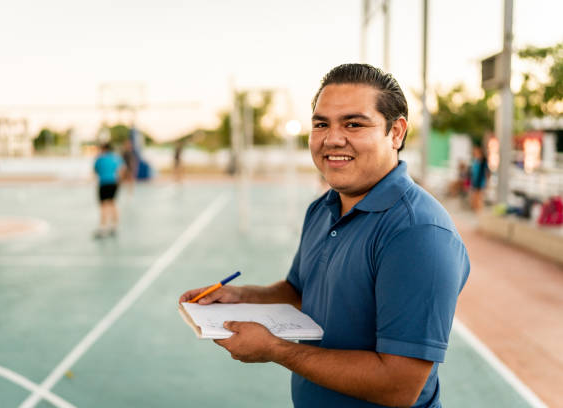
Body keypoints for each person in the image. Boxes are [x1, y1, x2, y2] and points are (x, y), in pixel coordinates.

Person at [180, 64, 470, 408]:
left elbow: (399, 385)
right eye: (321, 124)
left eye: (354, 124)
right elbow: (301, 292)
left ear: (396, 132)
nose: (332, 138)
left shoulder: (417, 233)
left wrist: (275, 349)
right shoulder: (323, 208)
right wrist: (242, 295)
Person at [94, 142, 124, 238]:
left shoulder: (99, 159)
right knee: (112, 203)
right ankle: (114, 226)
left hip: (103, 183)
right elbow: (121, 170)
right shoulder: (115, 158)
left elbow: (95, 171)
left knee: (103, 206)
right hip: (114, 183)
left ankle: (103, 228)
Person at [469, 145, 489, 212]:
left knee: (479, 196)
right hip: (475, 180)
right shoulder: (475, 160)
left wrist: (486, 182)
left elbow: (486, 173)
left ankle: (479, 210)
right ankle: (475, 209)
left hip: (480, 180)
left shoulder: (483, 161)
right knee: (474, 195)